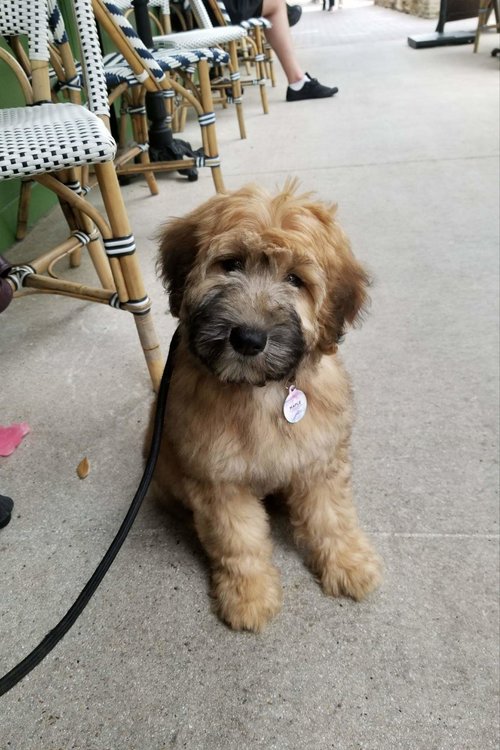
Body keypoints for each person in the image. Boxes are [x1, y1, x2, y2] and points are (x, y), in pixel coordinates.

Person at [224, 0, 338, 101]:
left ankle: (286, 12)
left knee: (276, 4)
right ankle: (297, 80)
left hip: (212, 9)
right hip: (215, 10)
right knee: (276, 3)